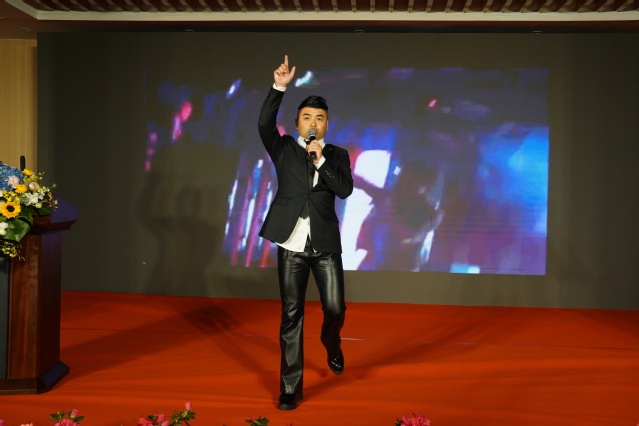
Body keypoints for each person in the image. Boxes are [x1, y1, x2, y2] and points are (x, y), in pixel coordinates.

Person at [257, 55, 354, 410]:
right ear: (298, 122)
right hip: (291, 244)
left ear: (327, 124)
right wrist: (278, 87)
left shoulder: (336, 155)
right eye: (308, 117)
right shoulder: (283, 148)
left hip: (325, 244)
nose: (314, 123)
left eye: (320, 118)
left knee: (335, 308)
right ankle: (290, 388)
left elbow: (344, 190)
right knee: (291, 315)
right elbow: (264, 124)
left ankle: (332, 343)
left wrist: (321, 160)